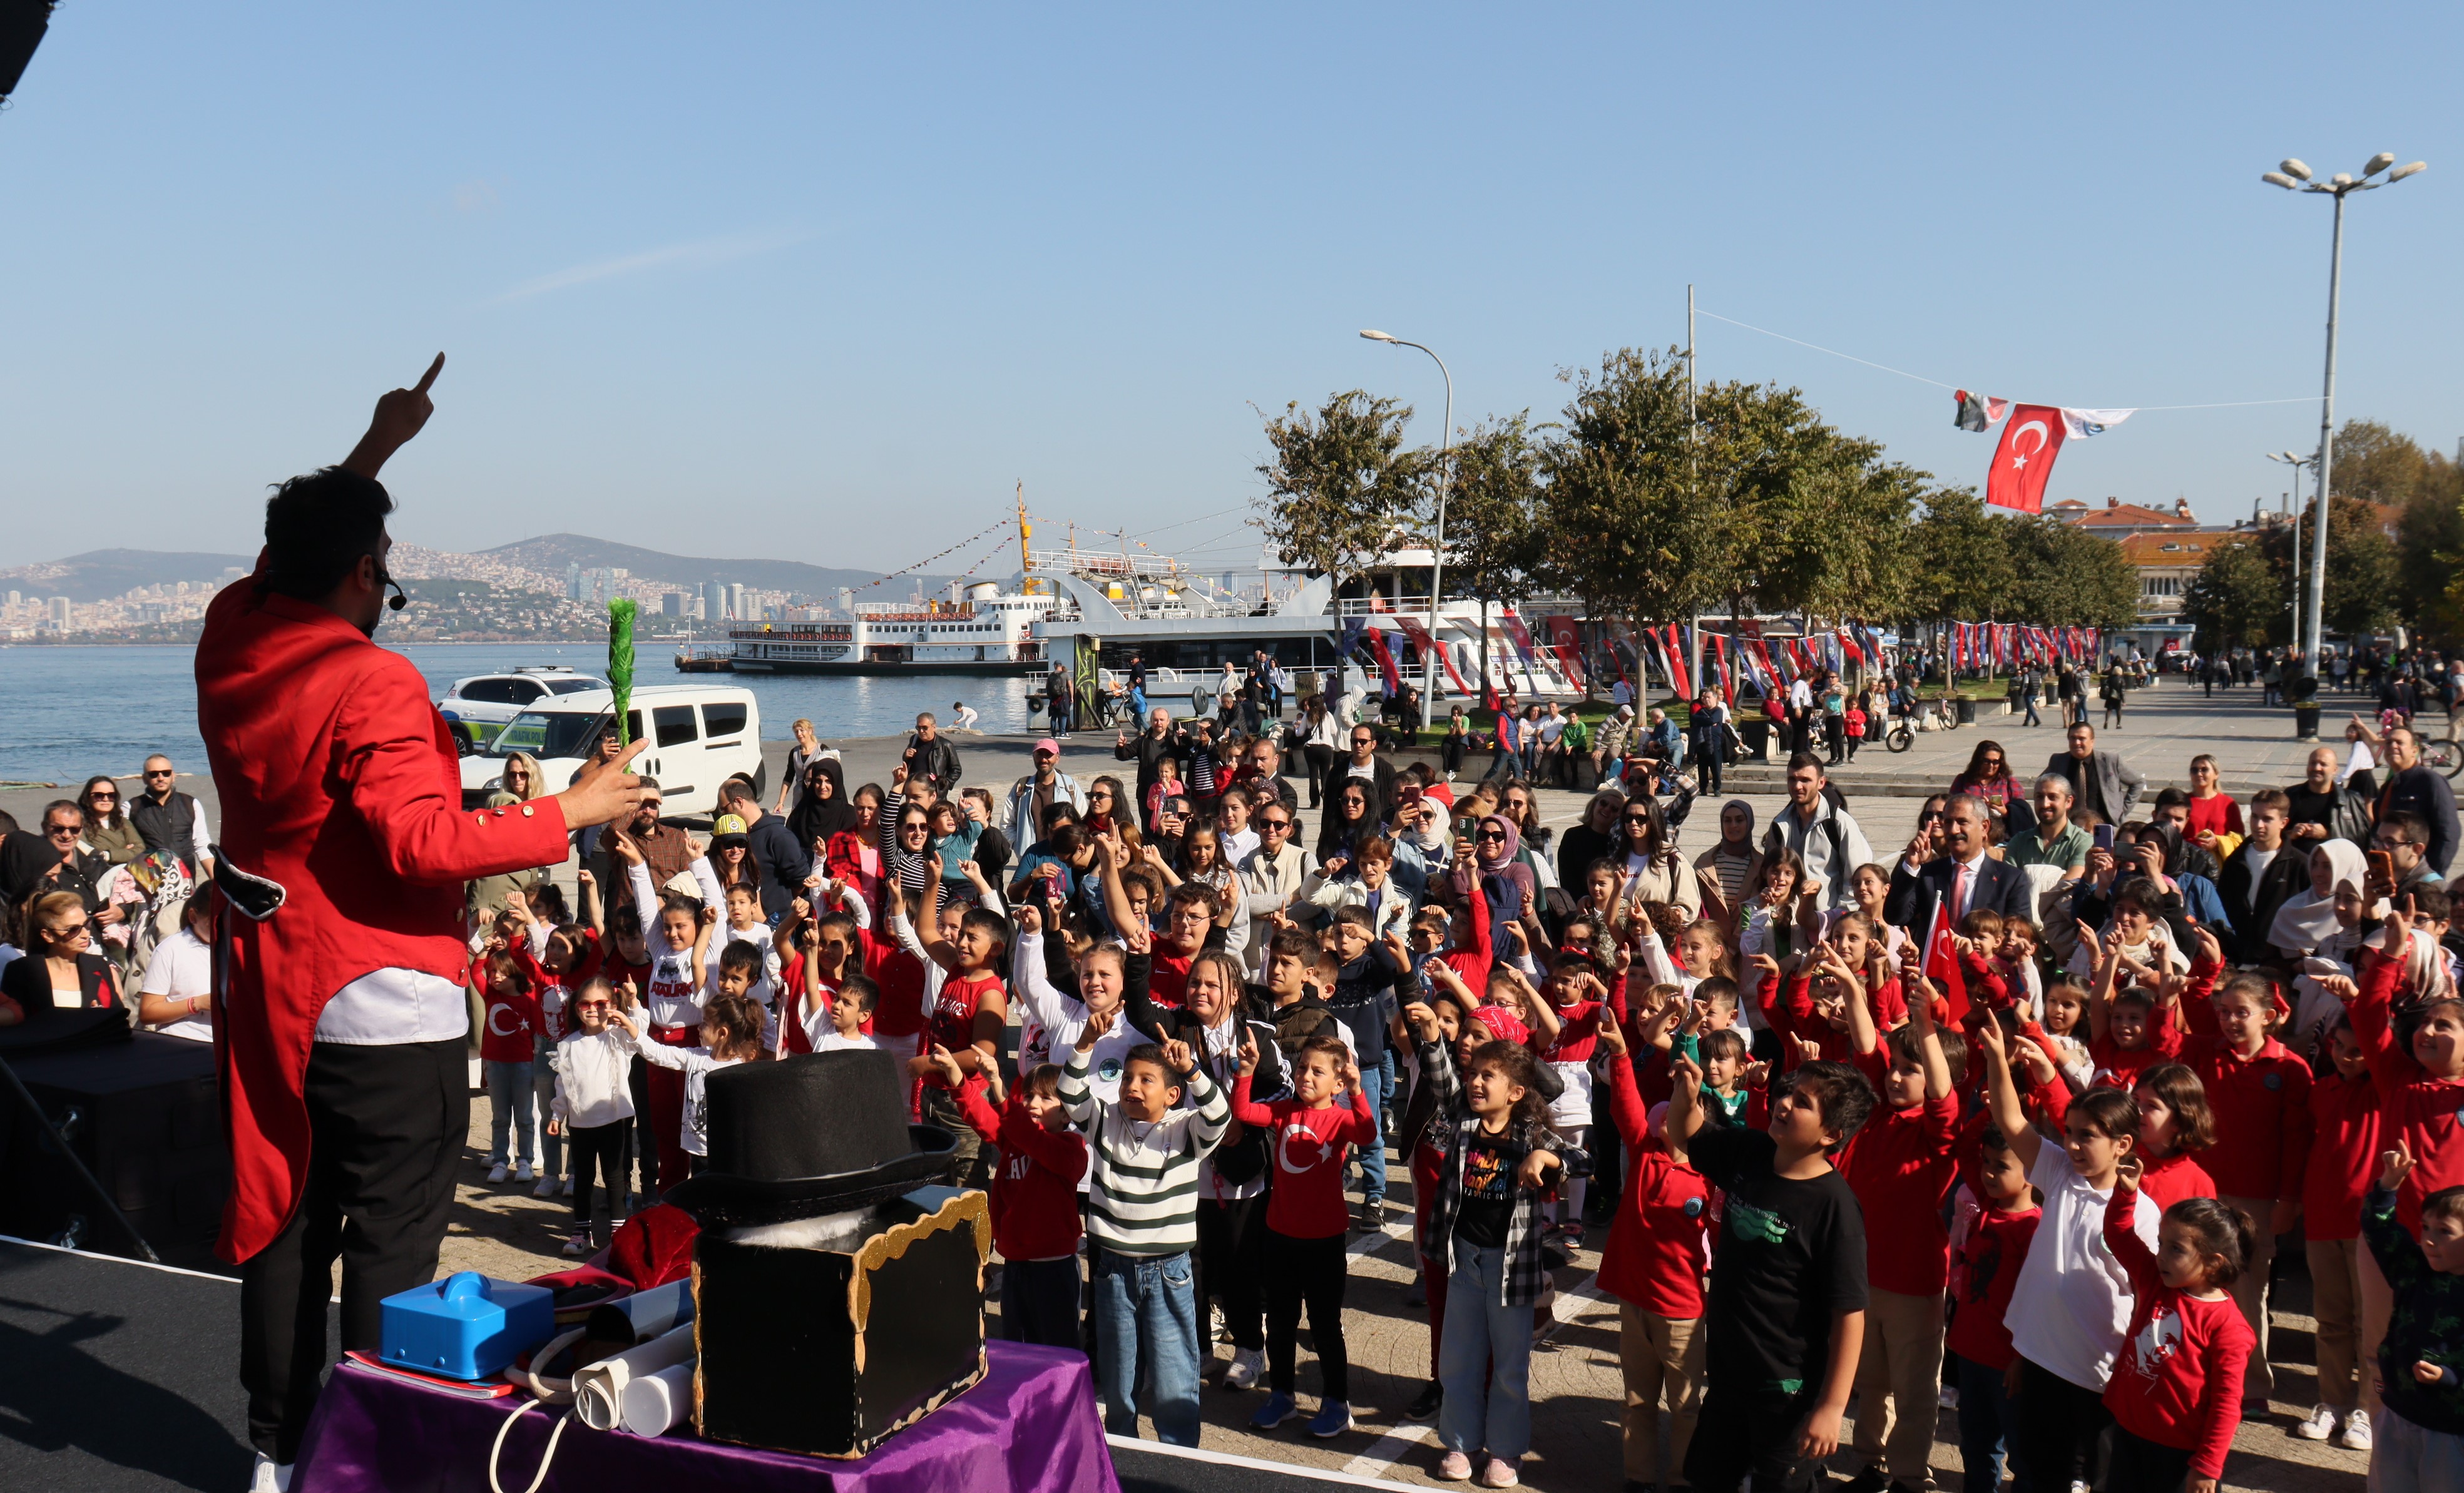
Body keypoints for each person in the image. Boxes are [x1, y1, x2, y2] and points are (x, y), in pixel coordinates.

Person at [192, 356, 647, 1490]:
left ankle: (275, 1450)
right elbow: (420, 847)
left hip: (272, 986)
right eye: (381, 559)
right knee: (391, 1246)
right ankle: (361, 1462)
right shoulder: (375, 680)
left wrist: (375, 448)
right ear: (363, 569)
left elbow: (289, 559)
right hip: (383, 996)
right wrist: (572, 810)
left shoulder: (229, 634)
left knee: (291, 1230)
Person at [1664, 1044, 1874, 1493]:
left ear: (1831, 1133)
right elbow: (1686, 1134)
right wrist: (1686, 1091)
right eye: (1788, 1092)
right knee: (1707, 1478)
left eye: (1802, 1103)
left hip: (1787, 1392)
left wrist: (1832, 1407)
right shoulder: (1751, 1151)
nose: (1783, 1103)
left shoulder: (1834, 1207)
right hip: (1727, 1374)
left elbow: (1849, 1314)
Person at [1973, 1019, 2160, 1493]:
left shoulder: (2141, 1212)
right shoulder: (2058, 1173)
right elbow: (2011, 1121)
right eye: (2070, 1132)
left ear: (2122, 1145)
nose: (2072, 1145)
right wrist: (1997, 1059)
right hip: (2038, 1360)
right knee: (2037, 1473)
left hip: (2098, 1372)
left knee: (2099, 1479)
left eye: (2086, 1136)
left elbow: (2146, 1295)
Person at [1403, 996, 1582, 1487]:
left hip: (1512, 1268)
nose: (1476, 1082)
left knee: (1508, 1369)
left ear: (1517, 1091)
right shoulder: (1461, 1121)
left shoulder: (1531, 1134)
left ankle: (1504, 1452)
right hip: (1464, 1263)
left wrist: (1550, 1162)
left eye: (1489, 1076)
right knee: (1457, 1363)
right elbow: (1440, 1076)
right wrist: (1430, 1034)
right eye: (1475, 1073)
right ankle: (1460, 1445)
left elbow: (1582, 1161)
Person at [1063, 1021, 1229, 1447]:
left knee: (1174, 1377)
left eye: (1146, 1080)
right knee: (1119, 1379)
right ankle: (1122, 1457)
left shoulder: (1186, 1129)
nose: (1131, 1087)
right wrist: (1084, 1043)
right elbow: (1070, 1094)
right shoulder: (1104, 1121)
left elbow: (1219, 1116)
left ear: (1172, 1095)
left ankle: (1177, 1460)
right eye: (1127, 1078)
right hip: (1112, 1269)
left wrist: (1191, 1070)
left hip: (1168, 1272)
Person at [1232, 1031, 1379, 1437]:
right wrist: (1244, 1072)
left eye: (1317, 1071)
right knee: (1279, 1322)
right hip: (1279, 1235)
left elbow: (1367, 1134)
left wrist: (1358, 1090)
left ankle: (1337, 1402)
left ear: (1336, 1082)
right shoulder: (1283, 1111)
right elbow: (1244, 1111)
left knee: (1324, 1324)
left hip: (1324, 1239)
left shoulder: (1340, 1118)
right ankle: (1282, 1395)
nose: (1306, 1076)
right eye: (1302, 1067)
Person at [2097, 1173, 2259, 1493]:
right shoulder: (2156, 1281)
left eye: (2176, 1249)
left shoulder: (2229, 1328)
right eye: (2161, 1244)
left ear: (2213, 1264)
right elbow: (2118, 1235)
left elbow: (2226, 1404)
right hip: (2128, 1435)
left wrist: (2207, 1466)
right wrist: (2125, 1195)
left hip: (2180, 1456)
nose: (2161, 1255)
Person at [2361, 1141, 2464, 1489]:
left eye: (2445, 1231)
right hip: (2398, 1410)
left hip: (2452, 1429)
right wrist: (2388, 1187)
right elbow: (2380, 1230)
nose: (2429, 1240)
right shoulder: (2413, 1268)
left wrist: (2450, 1376)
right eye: (2425, 1228)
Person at [1884, 792, 2033, 935]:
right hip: (1936, 960)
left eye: (1962, 822)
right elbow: (1896, 917)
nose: (1953, 831)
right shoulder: (1928, 874)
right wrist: (1912, 866)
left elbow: (2017, 935)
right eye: (1948, 822)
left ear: (1984, 827)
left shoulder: (2011, 880)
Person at [1759, 755, 1872, 912]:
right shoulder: (1779, 824)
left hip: (1828, 920)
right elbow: (1769, 874)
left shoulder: (1839, 823)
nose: (1797, 786)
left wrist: (1838, 917)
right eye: (1792, 779)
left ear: (1821, 783)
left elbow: (1857, 879)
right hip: (1788, 920)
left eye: (1805, 780)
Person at [0, 889, 121, 1025]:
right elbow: (16, 1024)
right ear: (48, 935)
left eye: (87, 925)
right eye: (73, 929)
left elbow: (118, 1018)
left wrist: (99, 1017)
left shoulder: (97, 965)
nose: (85, 934)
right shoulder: (22, 970)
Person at [2218, 789, 2310, 964]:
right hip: (2236, 955)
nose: (2258, 824)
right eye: (2254, 816)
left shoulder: (2299, 864)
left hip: (2277, 960)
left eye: (2267, 819)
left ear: (2284, 822)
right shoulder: (2235, 860)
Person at [2375, 723, 2459, 877]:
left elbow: (2449, 834)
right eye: (2388, 743)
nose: (2393, 746)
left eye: (2400, 743)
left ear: (2415, 751)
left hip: (2419, 876)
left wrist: (2433, 876)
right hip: (2390, 875)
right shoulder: (2389, 786)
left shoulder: (2430, 781)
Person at [136, 890, 219, 1041]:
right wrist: (196, 1004)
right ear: (193, 917)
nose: (222, 929)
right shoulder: (171, 949)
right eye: (214, 923)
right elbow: (148, 1012)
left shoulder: (234, 946)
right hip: (185, 1043)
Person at [2043, 720, 2144, 829]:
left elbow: (2138, 782)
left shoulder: (2110, 761)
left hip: (2103, 825)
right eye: (2073, 738)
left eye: (2082, 739)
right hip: (2068, 827)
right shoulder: (2058, 761)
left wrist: (2122, 810)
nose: (2077, 743)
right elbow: (2042, 784)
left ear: (2092, 741)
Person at [131, 754, 214, 877]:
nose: (161, 778)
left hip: (185, 881)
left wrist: (216, 880)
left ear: (173, 776)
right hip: (147, 883)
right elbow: (128, 848)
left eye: (166, 773)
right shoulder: (132, 808)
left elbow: (202, 845)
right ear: (144, 778)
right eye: (154, 774)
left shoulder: (190, 804)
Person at [1006, 737, 1090, 849]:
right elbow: (1007, 823)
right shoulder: (1022, 787)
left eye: (1048, 755)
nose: (1044, 759)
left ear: (1057, 759)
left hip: (1063, 858)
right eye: (1040, 754)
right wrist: (1018, 846)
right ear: (1034, 757)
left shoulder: (1069, 786)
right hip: (1031, 859)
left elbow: (1082, 820)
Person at [78, 776, 145, 867]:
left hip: (127, 874)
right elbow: (88, 854)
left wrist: (108, 855)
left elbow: (140, 850)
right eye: (99, 795)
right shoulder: (80, 824)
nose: (106, 799)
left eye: (111, 796)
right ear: (88, 797)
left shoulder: (122, 822)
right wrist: (125, 852)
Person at [772, 717, 828, 816]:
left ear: (810, 731)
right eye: (796, 732)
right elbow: (788, 778)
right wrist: (780, 802)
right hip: (799, 796)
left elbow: (831, 773)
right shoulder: (794, 752)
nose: (799, 734)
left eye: (802, 730)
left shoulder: (822, 749)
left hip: (816, 793)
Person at [901, 711, 964, 794]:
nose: (921, 731)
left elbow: (956, 769)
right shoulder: (914, 740)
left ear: (934, 727)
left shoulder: (945, 745)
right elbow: (908, 762)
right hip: (914, 789)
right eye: (918, 728)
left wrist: (944, 785)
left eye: (925, 728)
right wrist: (906, 756)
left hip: (934, 791)